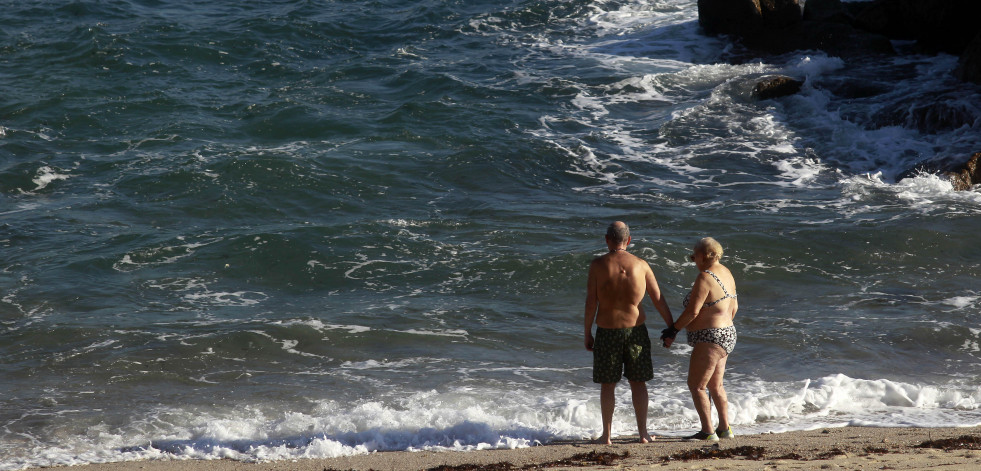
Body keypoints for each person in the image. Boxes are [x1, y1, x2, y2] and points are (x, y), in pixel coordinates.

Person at [584, 221, 674, 444]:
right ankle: (643, 434)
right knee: (638, 382)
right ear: (629, 240)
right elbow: (658, 299)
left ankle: (606, 435)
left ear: (607, 240)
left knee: (608, 385)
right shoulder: (641, 265)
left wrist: (587, 332)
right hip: (636, 332)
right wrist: (672, 327)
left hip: (607, 331)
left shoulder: (597, 265)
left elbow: (591, 303)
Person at [661, 237, 738, 442]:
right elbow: (733, 308)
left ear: (704, 256)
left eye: (694, 256)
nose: (693, 260)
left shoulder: (705, 277)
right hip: (727, 333)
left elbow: (692, 312)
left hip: (711, 337)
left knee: (697, 386)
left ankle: (707, 431)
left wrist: (673, 330)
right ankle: (724, 428)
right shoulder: (727, 273)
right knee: (716, 386)